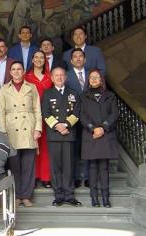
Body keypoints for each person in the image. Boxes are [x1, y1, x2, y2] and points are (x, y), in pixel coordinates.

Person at [0, 61, 42, 207]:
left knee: (29, 166)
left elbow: (37, 110)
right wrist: (3, 132)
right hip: (11, 129)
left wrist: (37, 128)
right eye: (14, 69)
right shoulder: (4, 89)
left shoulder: (32, 87)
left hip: (28, 127)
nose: (16, 71)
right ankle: (17, 196)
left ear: (23, 71)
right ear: (10, 72)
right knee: (14, 166)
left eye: (19, 69)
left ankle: (27, 196)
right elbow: (1, 111)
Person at [41, 67, 82, 207]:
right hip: (54, 135)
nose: (59, 78)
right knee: (56, 167)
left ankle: (70, 195)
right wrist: (58, 126)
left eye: (61, 75)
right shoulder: (47, 94)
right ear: (51, 78)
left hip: (69, 134)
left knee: (69, 166)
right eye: (56, 76)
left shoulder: (73, 93)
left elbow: (77, 112)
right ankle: (58, 195)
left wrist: (66, 126)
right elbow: (45, 113)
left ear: (66, 77)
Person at [80, 69, 119, 208]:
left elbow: (114, 114)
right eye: (91, 77)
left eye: (97, 77)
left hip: (106, 135)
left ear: (101, 79)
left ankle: (105, 198)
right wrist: (93, 128)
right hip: (90, 135)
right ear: (88, 80)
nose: (94, 79)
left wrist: (103, 127)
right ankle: (94, 198)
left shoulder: (110, 95)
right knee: (92, 167)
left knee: (104, 167)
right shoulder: (83, 96)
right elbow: (82, 115)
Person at [24, 50, 53, 188]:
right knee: (33, 147)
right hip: (32, 117)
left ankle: (46, 177)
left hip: (47, 117)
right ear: (32, 60)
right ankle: (34, 177)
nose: (39, 59)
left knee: (46, 148)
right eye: (36, 57)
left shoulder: (50, 77)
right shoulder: (26, 77)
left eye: (42, 57)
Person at [65, 48, 90, 188]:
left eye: (81, 56)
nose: (78, 58)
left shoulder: (92, 75)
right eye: (75, 56)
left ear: (84, 59)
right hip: (72, 118)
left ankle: (86, 177)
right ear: (71, 60)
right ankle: (74, 177)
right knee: (73, 149)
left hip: (89, 118)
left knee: (88, 148)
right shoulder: (66, 76)